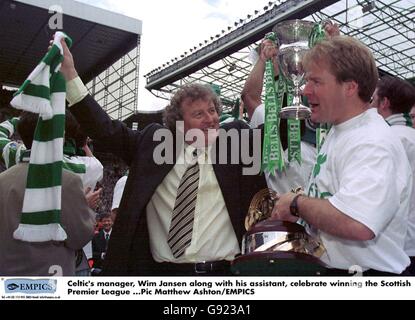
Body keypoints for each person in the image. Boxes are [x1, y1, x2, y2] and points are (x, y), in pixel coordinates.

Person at [59, 39, 266, 276]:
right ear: (178, 123)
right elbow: (104, 129)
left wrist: (270, 68)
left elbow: (273, 126)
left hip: (224, 275)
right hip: (161, 276)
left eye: (212, 110)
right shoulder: (152, 145)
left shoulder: (235, 142)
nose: (211, 119)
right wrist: (70, 75)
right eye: (199, 114)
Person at [271, 36, 412, 275]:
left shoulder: (371, 141)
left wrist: (297, 204)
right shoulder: (341, 131)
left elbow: (358, 222)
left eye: (315, 81)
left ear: (350, 87)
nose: (305, 90)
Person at [0, 112, 95, 276]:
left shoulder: (3, 180)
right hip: (50, 278)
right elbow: (79, 237)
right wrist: (87, 209)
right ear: (58, 136)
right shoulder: (68, 180)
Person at [370, 76, 415, 275]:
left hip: (398, 248)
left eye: (372, 100)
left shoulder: (388, 139)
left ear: (384, 103)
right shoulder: (407, 136)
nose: (370, 106)